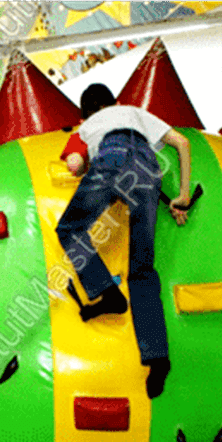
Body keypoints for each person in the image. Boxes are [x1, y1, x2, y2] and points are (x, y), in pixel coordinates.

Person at [57, 83, 193, 399]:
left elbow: (76, 164)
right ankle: (158, 359)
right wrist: (183, 195)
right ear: (117, 103)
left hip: (112, 161)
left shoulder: (86, 127)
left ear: (83, 116)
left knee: (70, 229)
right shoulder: (134, 112)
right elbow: (182, 142)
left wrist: (79, 165)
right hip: (148, 171)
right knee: (142, 269)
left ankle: (107, 292)